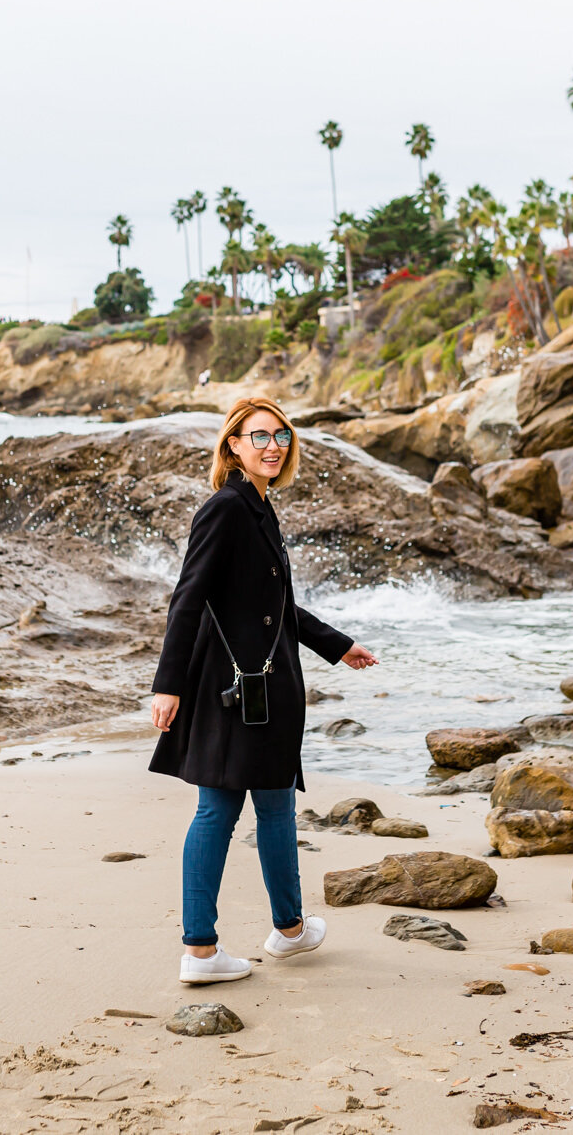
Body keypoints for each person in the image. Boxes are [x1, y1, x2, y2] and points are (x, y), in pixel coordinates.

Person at [149, 397, 378, 985]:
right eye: (259, 437)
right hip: (237, 688)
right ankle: (203, 949)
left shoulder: (258, 507)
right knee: (221, 809)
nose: (273, 446)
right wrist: (167, 686)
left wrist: (335, 643)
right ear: (233, 446)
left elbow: (272, 603)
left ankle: (287, 930)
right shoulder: (226, 508)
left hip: (263, 687)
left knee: (271, 804)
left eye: (280, 435)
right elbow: (188, 597)